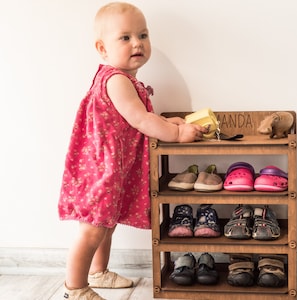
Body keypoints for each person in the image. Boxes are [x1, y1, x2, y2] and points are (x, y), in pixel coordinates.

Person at [58, 2, 207, 299]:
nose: (137, 43)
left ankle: (98, 272)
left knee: (105, 226)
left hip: (110, 167)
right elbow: (140, 119)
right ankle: (74, 289)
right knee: (92, 231)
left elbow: (136, 119)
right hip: (99, 170)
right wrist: (176, 133)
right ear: (103, 48)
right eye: (125, 37)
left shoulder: (125, 80)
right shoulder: (116, 80)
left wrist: (164, 121)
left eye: (143, 35)